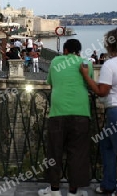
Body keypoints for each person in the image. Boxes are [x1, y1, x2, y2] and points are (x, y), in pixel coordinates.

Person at [79, 28, 117, 196]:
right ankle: (108, 184)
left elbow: (102, 92)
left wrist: (86, 76)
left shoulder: (110, 64)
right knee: (106, 145)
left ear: (108, 44)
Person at [38, 39, 92, 196]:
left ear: (65, 50)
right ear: (79, 51)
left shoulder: (56, 61)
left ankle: (54, 190)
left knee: (54, 152)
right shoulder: (85, 63)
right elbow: (90, 84)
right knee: (77, 153)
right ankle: (73, 192)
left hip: (58, 112)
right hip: (81, 112)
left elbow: (51, 83)